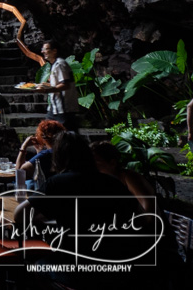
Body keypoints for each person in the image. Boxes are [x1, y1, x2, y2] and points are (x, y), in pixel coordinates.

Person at [15, 132, 151, 289]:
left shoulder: (57, 183)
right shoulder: (112, 182)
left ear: (58, 157)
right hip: (119, 266)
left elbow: (19, 215)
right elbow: (140, 218)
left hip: (78, 270)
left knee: (37, 265)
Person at [91, 141, 157, 213]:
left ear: (113, 163)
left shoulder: (130, 178)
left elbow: (149, 213)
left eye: (97, 164)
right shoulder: (102, 182)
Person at [40, 40, 80, 132]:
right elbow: (57, 84)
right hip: (55, 108)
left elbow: (65, 85)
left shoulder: (60, 64)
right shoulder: (54, 64)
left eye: (45, 49)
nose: (42, 51)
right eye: (42, 49)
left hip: (64, 108)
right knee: (46, 130)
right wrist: (43, 85)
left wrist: (46, 90)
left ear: (54, 51)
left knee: (69, 134)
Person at [14, 119, 65, 191]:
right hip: (61, 190)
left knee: (28, 183)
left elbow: (20, 173)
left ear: (42, 137)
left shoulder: (46, 154)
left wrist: (23, 148)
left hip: (45, 192)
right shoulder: (63, 151)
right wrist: (39, 152)